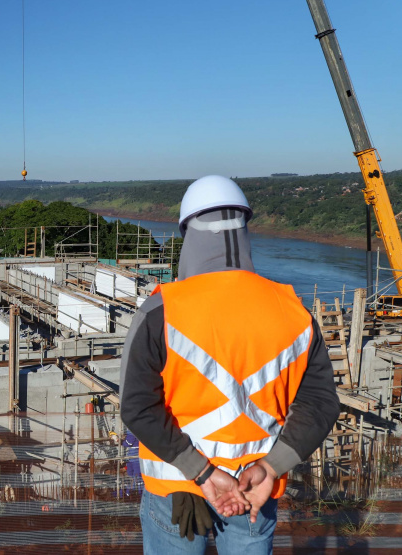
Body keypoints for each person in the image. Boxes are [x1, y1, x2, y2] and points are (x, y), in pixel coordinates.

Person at [119, 175, 339, 554]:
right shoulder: (294, 313)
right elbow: (320, 403)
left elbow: (136, 407)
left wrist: (201, 472)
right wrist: (271, 469)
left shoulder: (160, 311)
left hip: (178, 490)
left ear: (188, 234)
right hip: (254, 490)